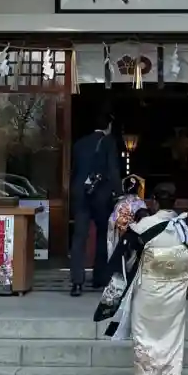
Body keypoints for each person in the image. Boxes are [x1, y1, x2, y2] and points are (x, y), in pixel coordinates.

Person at [112, 179, 188, 375]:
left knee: (145, 340)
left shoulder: (144, 225)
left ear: (154, 201)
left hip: (148, 291)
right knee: (172, 341)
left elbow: (126, 257)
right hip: (175, 292)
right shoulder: (183, 227)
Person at [68, 120, 121, 296]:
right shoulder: (109, 142)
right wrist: (119, 193)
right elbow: (113, 169)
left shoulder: (79, 144)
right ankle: (99, 277)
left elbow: (75, 171)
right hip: (101, 196)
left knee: (79, 237)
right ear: (109, 125)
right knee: (103, 234)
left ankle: (77, 282)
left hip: (81, 194)